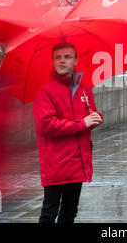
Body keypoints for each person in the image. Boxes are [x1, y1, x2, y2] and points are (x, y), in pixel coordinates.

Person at [33, 42, 103, 223]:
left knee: (70, 212)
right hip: (56, 162)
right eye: (58, 57)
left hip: (77, 161)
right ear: (53, 61)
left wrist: (95, 118)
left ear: (75, 60)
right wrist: (83, 123)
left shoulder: (83, 86)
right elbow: (46, 126)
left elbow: (90, 112)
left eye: (67, 57)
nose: (62, 61)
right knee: (50, 211)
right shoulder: (44, 90)